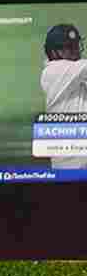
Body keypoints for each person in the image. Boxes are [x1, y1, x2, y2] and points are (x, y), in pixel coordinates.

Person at [40, 23, 87, 171]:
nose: (76, 51)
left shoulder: (76, 75)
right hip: (71, 167)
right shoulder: (53, 72)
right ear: (54, 53)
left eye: (76, 45)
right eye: (69, 47)